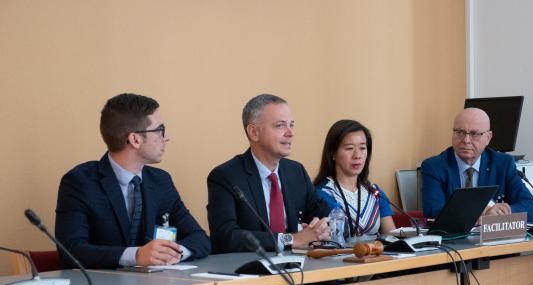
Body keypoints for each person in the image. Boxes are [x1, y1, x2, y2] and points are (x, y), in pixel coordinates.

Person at [55, 93, 211, 269]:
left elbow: (200, 239)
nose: (166, 138)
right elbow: (71, 251)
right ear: (135, 139)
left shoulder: (160, 181)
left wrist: (172, 253)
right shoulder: (80, 182)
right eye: (160, 130)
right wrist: (136, 256)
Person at [207, 94, 330, 253]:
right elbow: (225, 236)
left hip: (301, 267)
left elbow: (326, 215)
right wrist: (292, 239)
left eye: (291, 125)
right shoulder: (226, 177)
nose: (290, 132)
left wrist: (321, 228)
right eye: (280, 126)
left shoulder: (296, 171)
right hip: (250, 271)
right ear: (254, 132)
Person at [420, 107, 533, 222]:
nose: (466, 140)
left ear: (488, 138)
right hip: (453, 240)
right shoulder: (434, 167)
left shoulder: (503, 164)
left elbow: (532, 208)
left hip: (493, 240)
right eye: (459, 132)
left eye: (474, 134)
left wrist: (500, 213)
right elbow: (433, 211)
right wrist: (482, 213)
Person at [314, 120, 396, 242]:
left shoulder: (375, 193)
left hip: (376, 257)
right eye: (349, 148)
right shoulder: (322, 194)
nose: (357, 155)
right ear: (333, 153)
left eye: (362, 148)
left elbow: (391, 237)